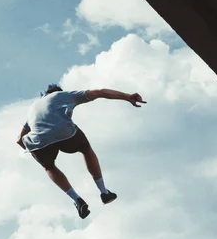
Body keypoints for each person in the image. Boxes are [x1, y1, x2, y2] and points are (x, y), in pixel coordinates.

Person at [16, 84, 146, 219]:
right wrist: (127, 97)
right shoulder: (61, 95)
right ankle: (104, 192)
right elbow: (99, 92)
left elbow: (20, 140)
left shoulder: (33, 108)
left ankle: (77, 200)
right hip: (63, 131)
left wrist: (40, 152)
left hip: (37, 140)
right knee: (85, 149)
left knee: (49, 167)